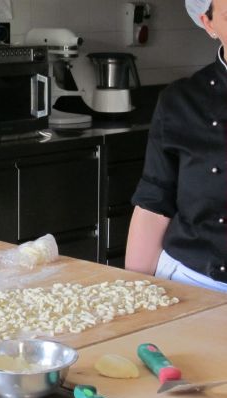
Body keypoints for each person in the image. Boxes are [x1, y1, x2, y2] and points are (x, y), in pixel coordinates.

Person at [125, 0, 227, 292]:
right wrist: (134, 291)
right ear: (209, 24)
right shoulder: (181, 101)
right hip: (193, 282)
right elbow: (154, 202)